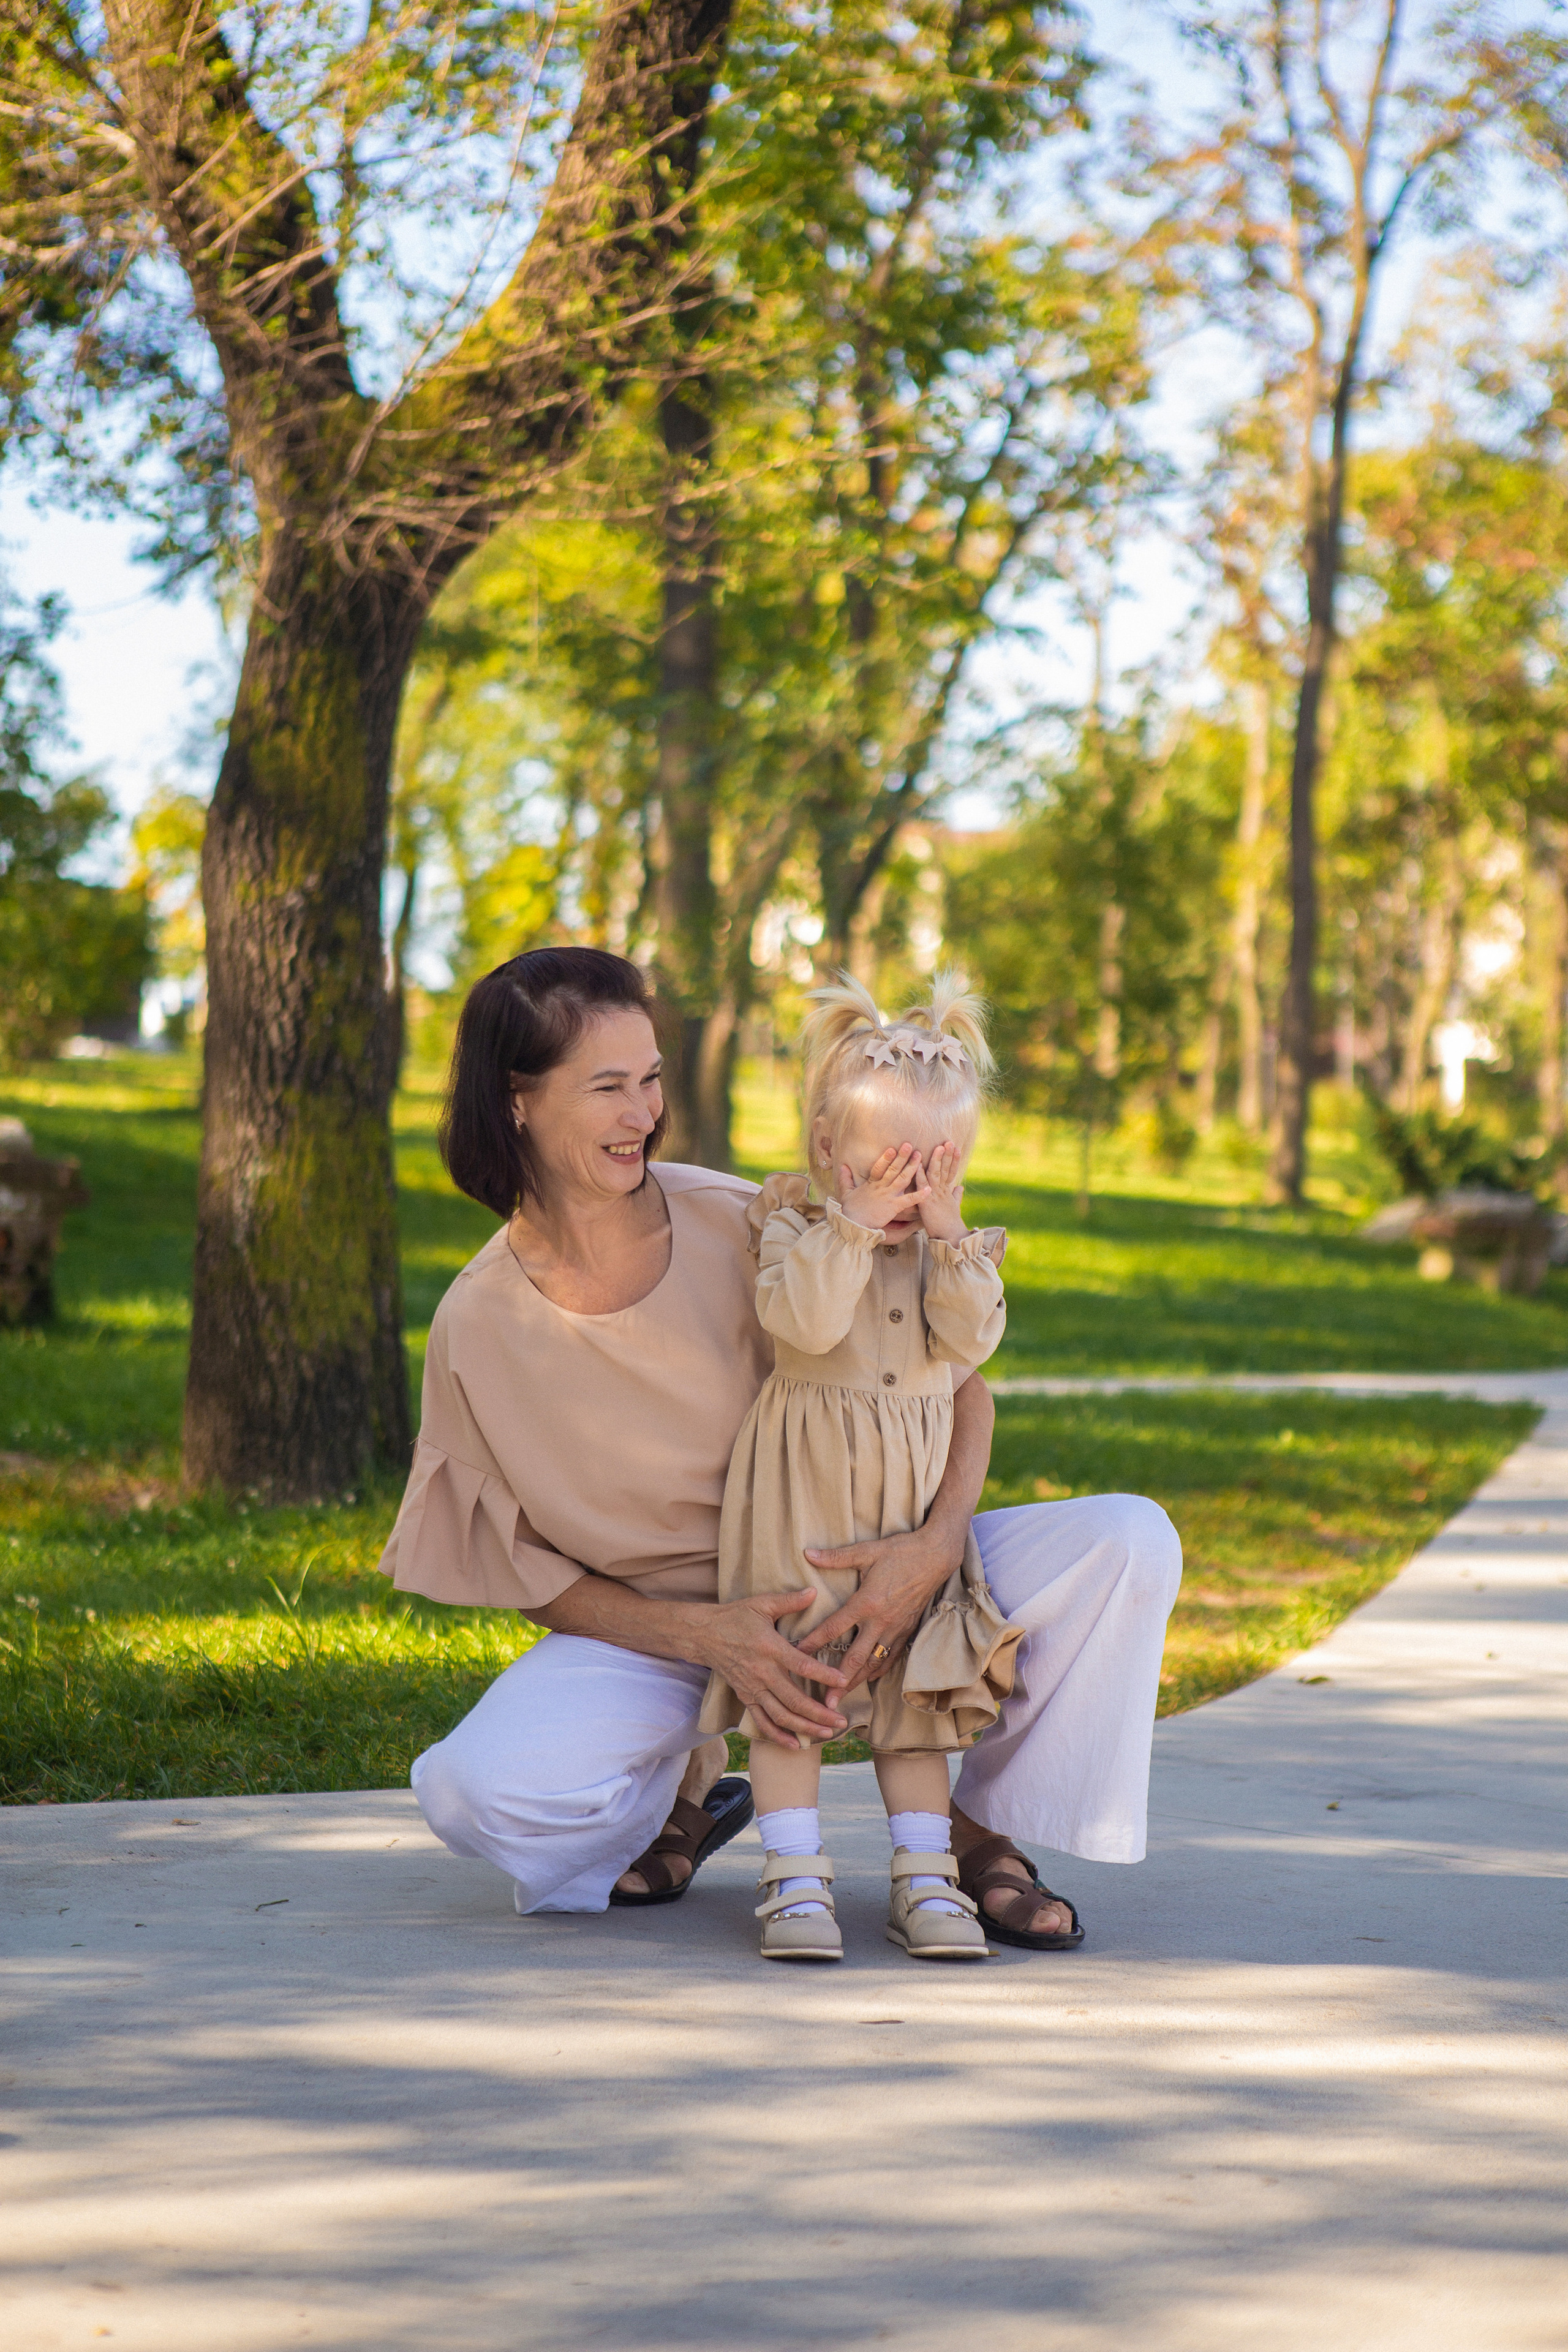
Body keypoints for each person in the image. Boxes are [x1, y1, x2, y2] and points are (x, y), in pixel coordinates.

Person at [379, 944, 1183, 1950]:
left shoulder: (749, 1217)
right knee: (473, 1793)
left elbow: (959, 1385)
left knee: (1130, 1541)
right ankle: (689, 1796)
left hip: (886, 1567)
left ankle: (986, 1837)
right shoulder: (478, 1324)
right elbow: (523, 1572)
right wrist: (710, 1640)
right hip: (681, 1638)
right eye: (609, 1088)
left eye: (653, 1080)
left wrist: (934, 1549)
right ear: (518, 1103)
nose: (645, 1114)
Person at [699, 974, 1021, 1962]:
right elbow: (801, 1327)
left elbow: (974, 1346)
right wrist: (850, 1222)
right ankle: (794, 1881)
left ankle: (925, 1879)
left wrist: (947, 1233)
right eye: (887, 1166)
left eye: (939, 1166)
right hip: (804, 1500)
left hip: (911, 1503)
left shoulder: (950, 1256)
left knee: (914, 1703)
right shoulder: (796, 1231)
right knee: (793, 1696)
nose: (910, 1190)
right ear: (828, 1154)